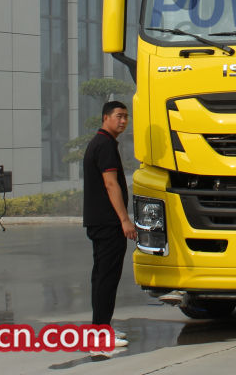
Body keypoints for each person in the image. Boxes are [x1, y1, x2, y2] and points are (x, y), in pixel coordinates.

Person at [83, 100, 137, 348]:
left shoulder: (100, 142)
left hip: (99, 222)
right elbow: (111, 184)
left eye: (126, 116)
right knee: (107, 278)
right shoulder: (104, 145)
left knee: (101, 277)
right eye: (119, 116)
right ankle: (102, 333)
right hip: (108, 223)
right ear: (106, 117)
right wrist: (125, 220)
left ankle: (99, 329)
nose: (123, 121)